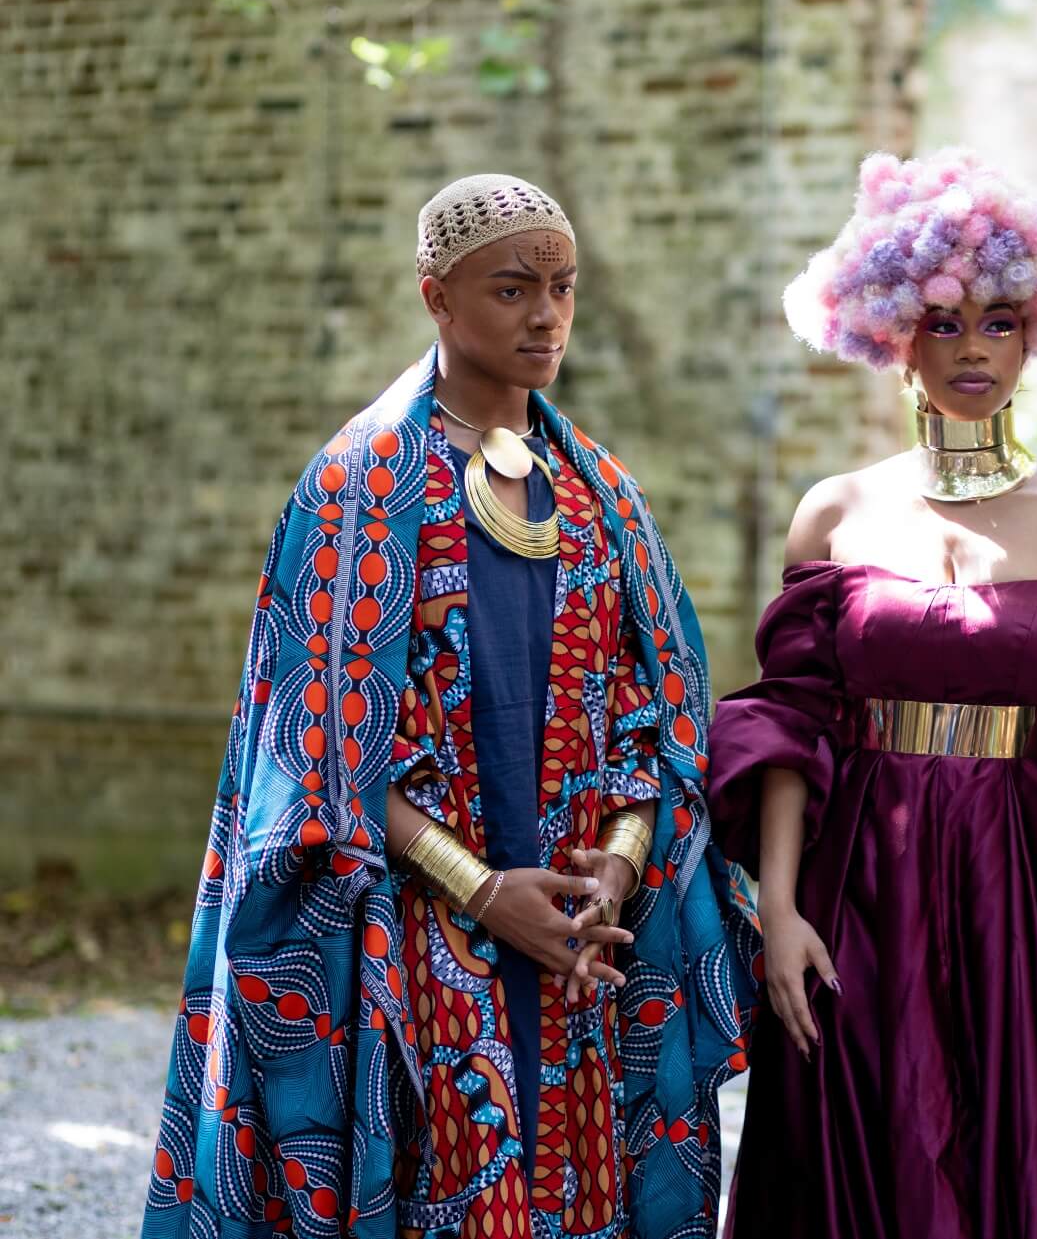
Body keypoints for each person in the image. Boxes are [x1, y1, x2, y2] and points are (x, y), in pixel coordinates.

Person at [143, 174, 759, 1239]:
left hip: (582, 939)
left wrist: (613, 866)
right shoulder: (358, 485)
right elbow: (316, 756)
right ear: (437, 298)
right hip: (417, 939)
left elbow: (656, 717)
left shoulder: (602, 493)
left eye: (563, 288)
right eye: (514, 290)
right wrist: (481, 891)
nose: (548, 315)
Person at [708, 149, 1037, 1239]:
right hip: (861, 885)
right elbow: (791, 722)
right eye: (945, 324)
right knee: (872, 1156)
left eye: (1000, 321)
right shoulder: (834, 514)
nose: (972, 350)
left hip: (1033, 889)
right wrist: (778, 911)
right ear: (893, 330)